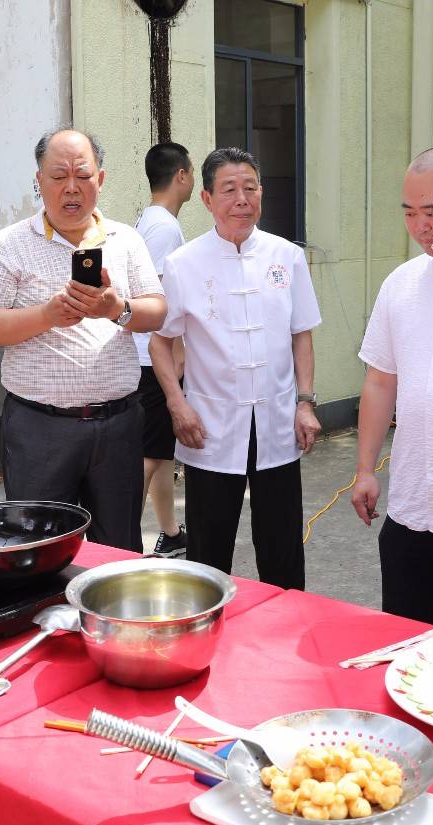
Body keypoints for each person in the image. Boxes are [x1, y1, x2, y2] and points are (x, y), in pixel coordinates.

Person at [0, 129, 166, 552]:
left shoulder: (125, 240)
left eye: (83, 175)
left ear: (102, 179)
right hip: (40, 429)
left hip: (117, 425)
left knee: (119, 550)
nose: (71, 188)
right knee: (37, 551)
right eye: (58, 176)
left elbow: (157, 311)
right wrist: (46, 316)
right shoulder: (9, 245)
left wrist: (116, 308)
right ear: (38, 180)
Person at [150, 148, 322, 589]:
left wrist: (305, 402)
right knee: (209, 550)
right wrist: (176, 404)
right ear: (206, 199)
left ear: (261, 193)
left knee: (282, 546)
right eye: (228, 189)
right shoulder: (183, 263)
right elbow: (160, 339)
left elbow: (302, 333)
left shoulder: (287, 257)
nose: (241, 198)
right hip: (210, 425)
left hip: (277, 422)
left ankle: (286, 632)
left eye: (250, 187)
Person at [350, 146, 433, 626]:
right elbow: (381, 380)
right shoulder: (401, 284)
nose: (422, 225)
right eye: (409, 212)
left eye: (431, 212)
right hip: (413, 505)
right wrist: (365, 469)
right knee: (408, 640)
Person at [134, 142, 193, 558]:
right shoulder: (164, 228)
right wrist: (178, 351)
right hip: (152, 358)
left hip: (147, 356)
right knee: (149, 456)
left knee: (159, 451)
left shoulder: (152, 220)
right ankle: (116, 537)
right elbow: (161, 297)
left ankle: (170, 533)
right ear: (183, 176)